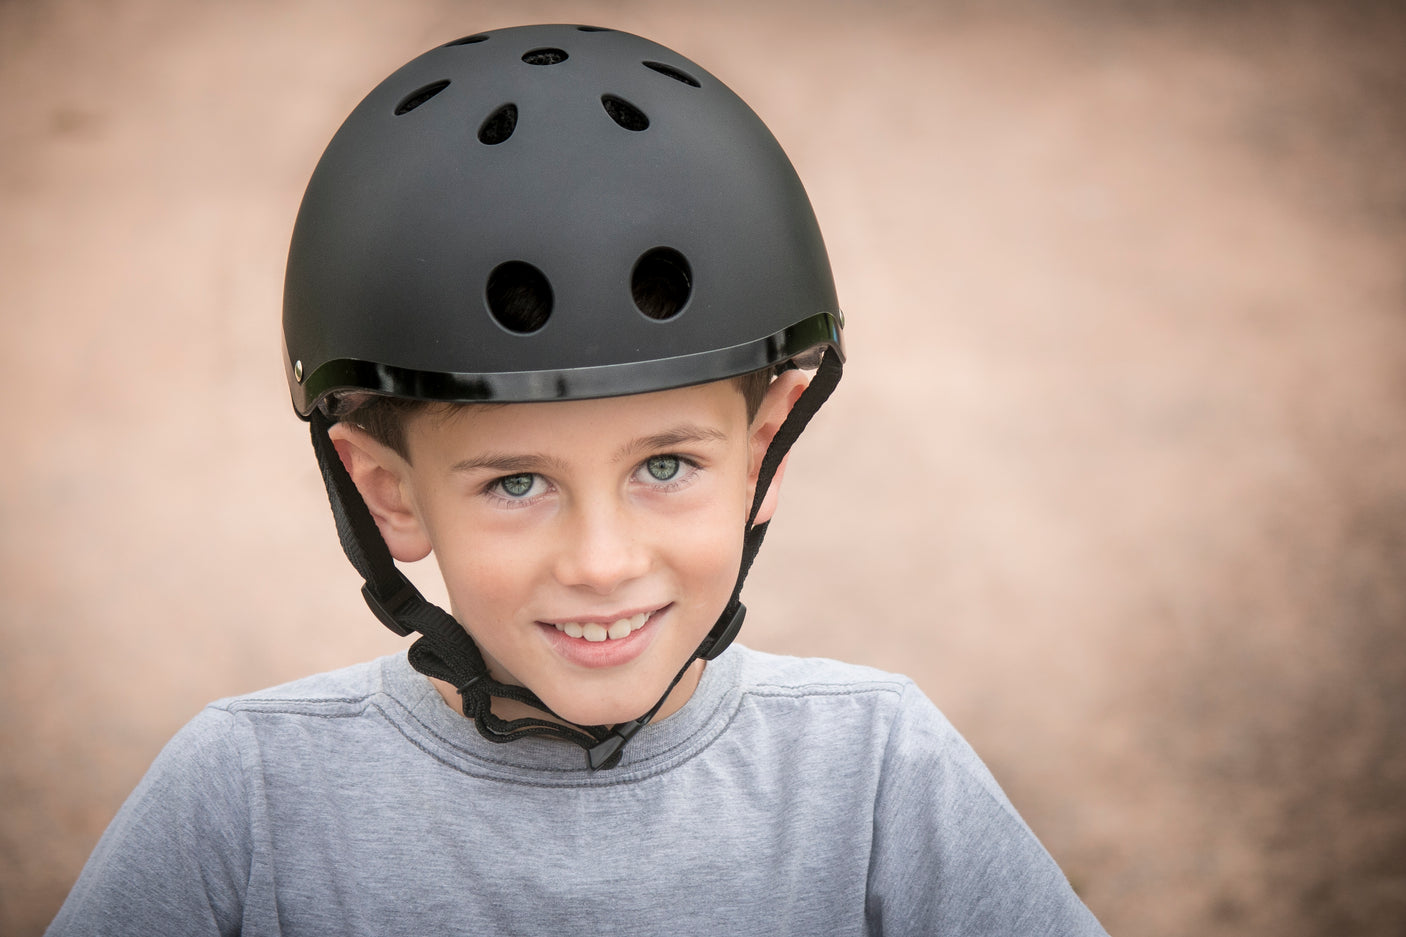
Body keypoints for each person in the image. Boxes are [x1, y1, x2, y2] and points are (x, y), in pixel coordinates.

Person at [48, 24, 1106, 935]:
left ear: (763, 450)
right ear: (389, 492)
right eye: (516, 484)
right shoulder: (242, 804)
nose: (602, 563)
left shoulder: (878, 776)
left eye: (664, 464)